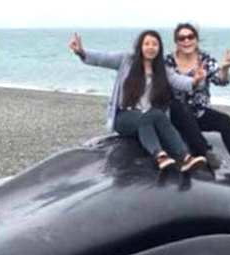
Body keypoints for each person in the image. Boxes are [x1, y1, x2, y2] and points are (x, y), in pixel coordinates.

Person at [69, 30, 207, 172]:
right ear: (140, 46)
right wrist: (81, 51)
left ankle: (185, 158)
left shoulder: (162, 69)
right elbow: (102, 58)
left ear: (159, 48)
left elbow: (180, 82)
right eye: (147, 43)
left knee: (158, 114)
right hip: (124, 116)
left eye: (154, 44)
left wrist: (196, 80)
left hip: (149, 115)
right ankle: (159, 155)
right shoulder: (127, 60)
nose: (150, 47)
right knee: (146, 118)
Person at [166, 22, 230, 183]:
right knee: (178, 107)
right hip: (176, 115)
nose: (186, 41)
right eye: (181, 38)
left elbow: (221, 81)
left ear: (196, 39)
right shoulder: (168, 62)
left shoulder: (204, 59)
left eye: (190, 37)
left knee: (224, 121)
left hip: (199, 112)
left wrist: (225, 69)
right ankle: (205, 152)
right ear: (176, 42)